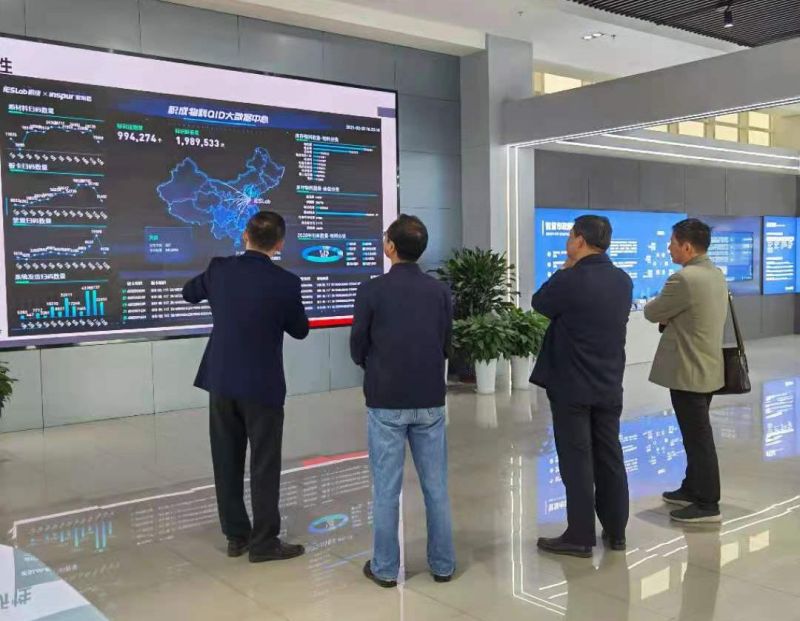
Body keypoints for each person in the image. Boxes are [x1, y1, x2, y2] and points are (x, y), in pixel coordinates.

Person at [182, 211, 310, 561]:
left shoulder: (219, 270)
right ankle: (264, 542)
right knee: (264, 463)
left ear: (245, 236)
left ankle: (236, 537)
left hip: (222, 379)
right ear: (280, 244)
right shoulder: (286, 283)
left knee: (226, 459)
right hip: (263, 385)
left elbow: (188, 293)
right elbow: (300, 330)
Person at [350, 214, 455, 588]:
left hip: (386, 399)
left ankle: (384, 568)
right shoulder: (440, 291)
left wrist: (374, 365)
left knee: (386, 490)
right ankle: (443, 565)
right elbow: (446, 342)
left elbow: (358, 344)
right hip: (429, 398)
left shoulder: (372, 290)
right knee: (436, 488)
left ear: (390, 247)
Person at [531, 215, 633, 558]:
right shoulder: (622, 280)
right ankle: (616, 532)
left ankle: (579, 535)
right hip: (609, 382)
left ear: (580, 241)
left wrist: (564, 268)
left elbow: (539, 303)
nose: (567, 242)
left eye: (570, 236)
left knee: (576, 460)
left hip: (571, 384)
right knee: (610, 455)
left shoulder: (570, 279)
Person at [644, 218, 727, 524]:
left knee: (697, 437)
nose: (669, 248)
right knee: (694, 433)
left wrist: (666, 316)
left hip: (689, 370)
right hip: (707, 366)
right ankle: (692, 488)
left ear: (687, 247)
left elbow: (652, 312)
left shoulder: (684, 279)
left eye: (672, 243)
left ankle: (707, 503)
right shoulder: (715, 273)